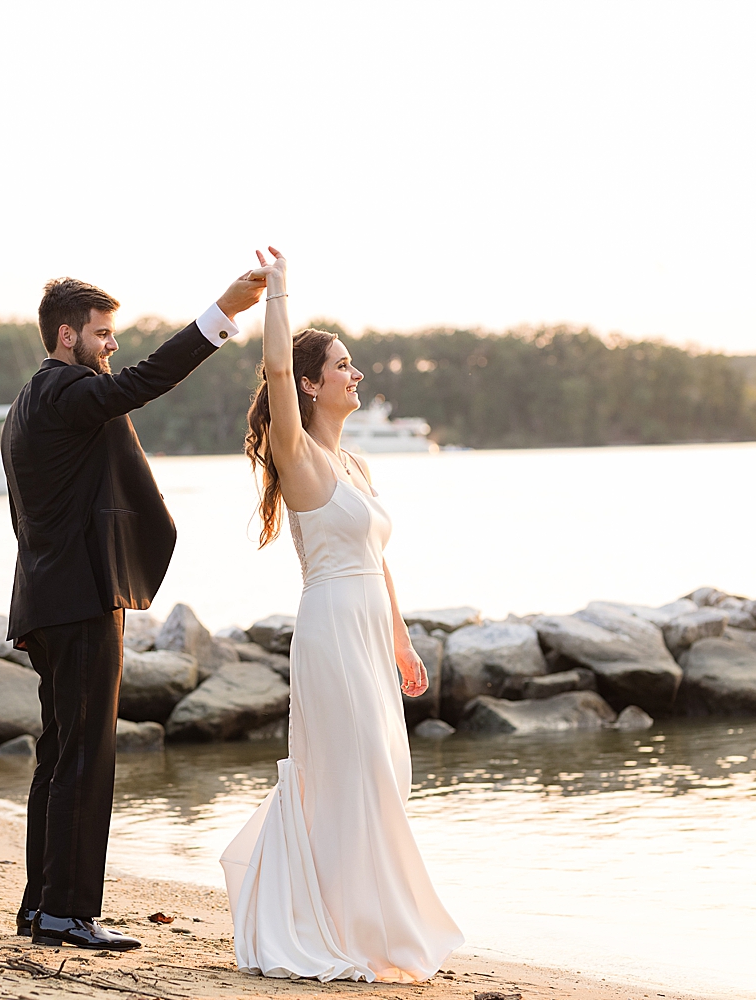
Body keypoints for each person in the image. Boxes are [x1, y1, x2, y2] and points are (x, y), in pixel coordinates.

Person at [219, 248, 464, 981]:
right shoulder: (296, 456)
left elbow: (378, 559)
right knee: (355, 776)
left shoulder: (358, 465)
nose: (356, 375)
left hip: (367, 633)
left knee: (384, 773)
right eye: (344, 365)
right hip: (328, 631)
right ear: (310, 384)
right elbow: (269, 372)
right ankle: (337, 928)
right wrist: (280, 294)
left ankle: (361, 921)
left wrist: (402, 641)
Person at [3, 270, 265, 951]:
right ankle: (68, 913)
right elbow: (143, 382)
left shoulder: (28, 401)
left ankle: (41, 909)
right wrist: (222, 314)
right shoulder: (70, 389)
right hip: (82, 599)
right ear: (68, 336)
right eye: (102, 333)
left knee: (58, 756)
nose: (112, 345)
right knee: (86, 757)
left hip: (46, 600)